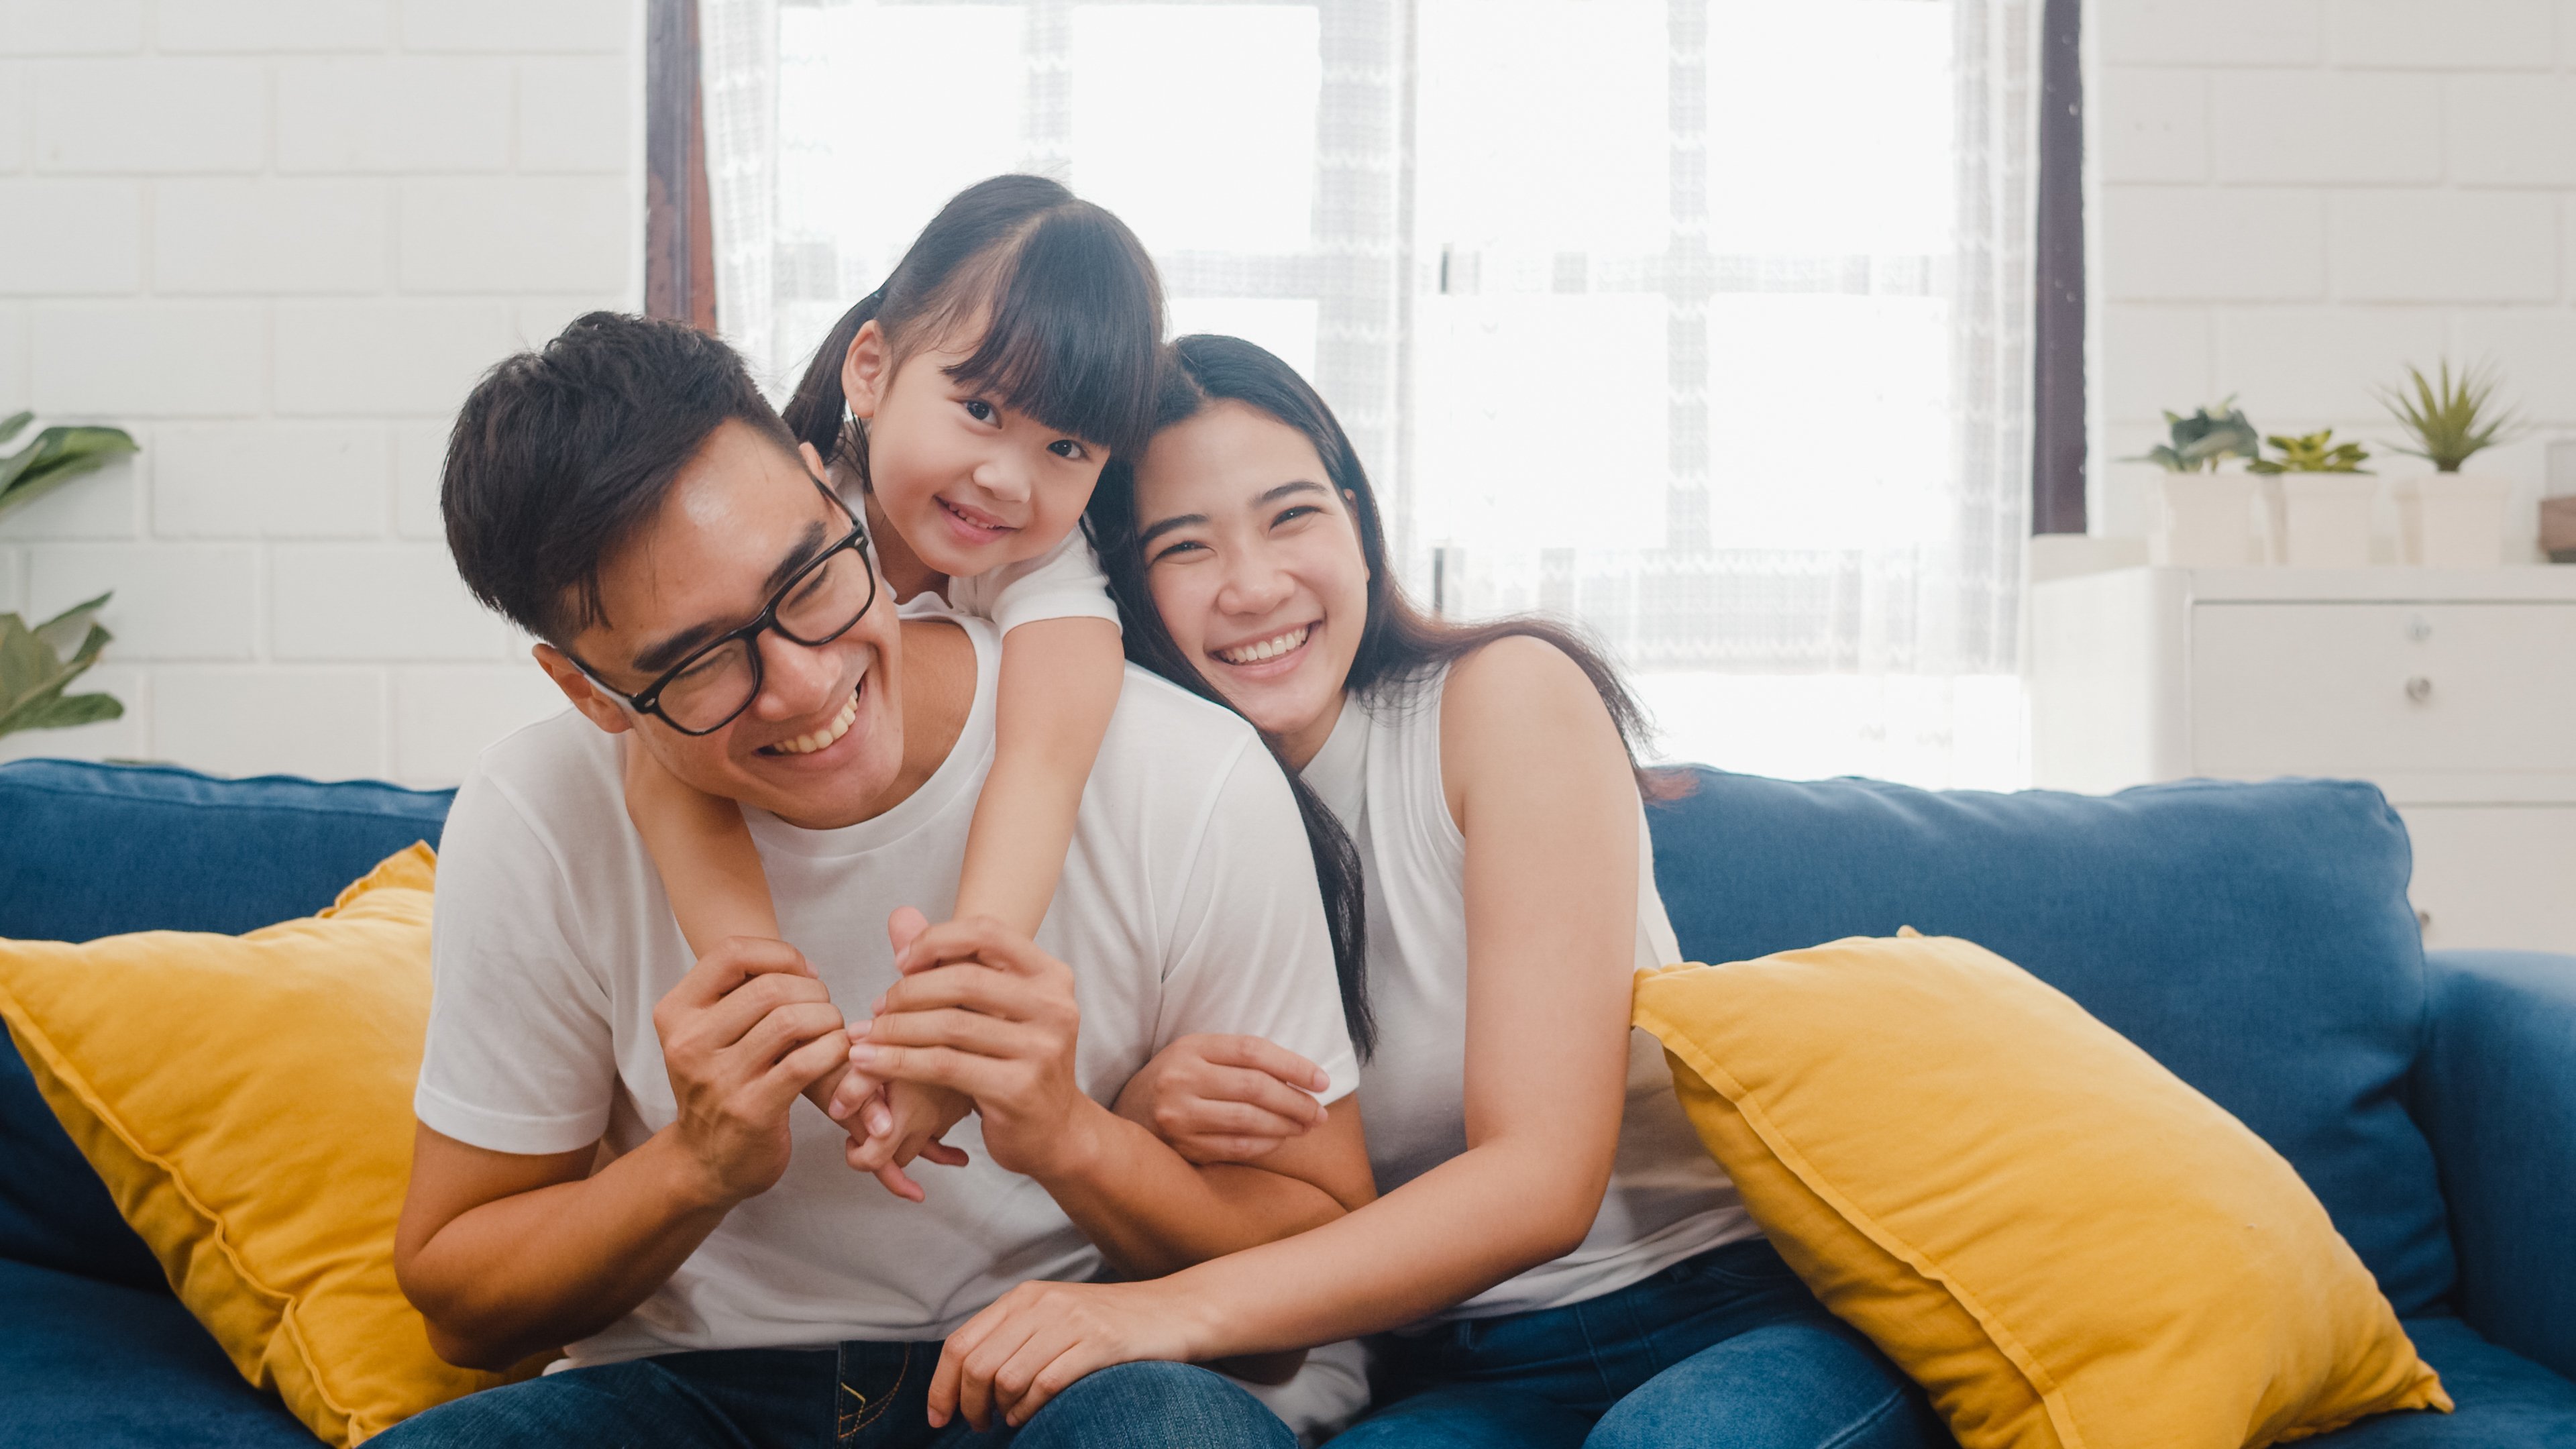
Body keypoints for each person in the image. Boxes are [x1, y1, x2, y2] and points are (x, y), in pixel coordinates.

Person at [916, 336, 1946, 1449]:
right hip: (1448, 1371)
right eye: (1185, 546)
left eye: (1293, 515)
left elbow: (1543, 1180)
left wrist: (1155, 1313)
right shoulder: (1154, 814)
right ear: (1126, 590)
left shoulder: (1501, 702)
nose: (1255, 584)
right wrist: (1146, 1121)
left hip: (1714, 1311)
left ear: (1360, 527)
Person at [377, 314, 1376, 1448]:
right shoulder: (537, 814)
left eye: (808, 578)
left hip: (1060, 1375)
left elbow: (1304, 1283)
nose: (804, 687)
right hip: (689, 1392)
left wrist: (1065, 1133)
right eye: (699, 664)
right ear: (592, 694)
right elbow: (459, 1301)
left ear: (830, 491)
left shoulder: (1181, 774)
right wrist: (691, 1168)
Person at [621, 175, 1146, 1203]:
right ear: (872, 367)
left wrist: (954, 1029)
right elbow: (665, 772)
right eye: (981, 407)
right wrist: (799, 1047)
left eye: (1066, 448)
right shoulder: (785, 512)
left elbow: (1042, 765)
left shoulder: (1052, 574)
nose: (1007, 476)